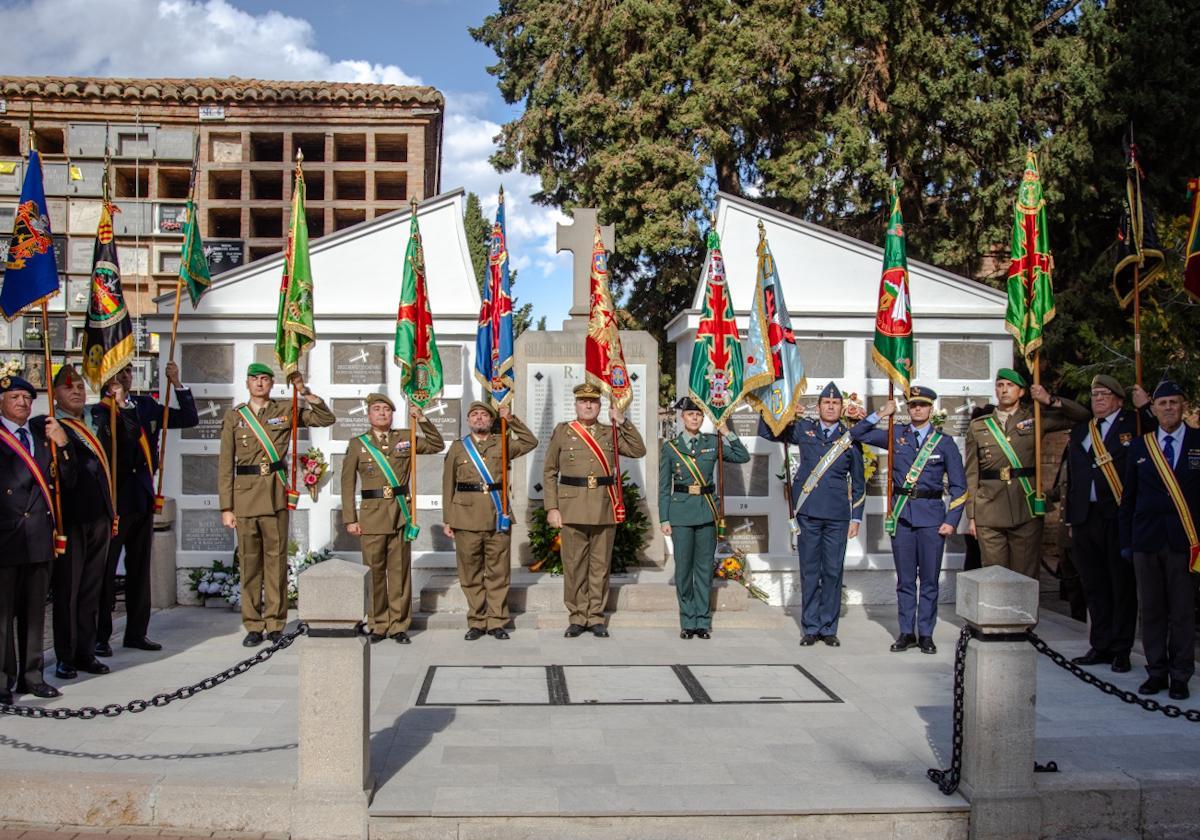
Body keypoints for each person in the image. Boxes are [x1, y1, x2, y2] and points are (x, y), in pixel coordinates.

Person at [219, 363, 335, 647]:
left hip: (274, 495)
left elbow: (325, 418)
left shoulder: (285, 409)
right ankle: (253, 624)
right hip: (244, 496)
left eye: (265, 379)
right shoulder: (235, 417)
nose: (259, 384)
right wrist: (226, 507)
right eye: (254, 379)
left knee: (276, 562)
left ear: (272, 383)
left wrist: (303, 391)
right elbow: (225, 463)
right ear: (247, 383)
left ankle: (275, 623)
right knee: (249, 564)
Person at [91, 361, 198, 656]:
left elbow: (188, 418)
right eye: (118, 372)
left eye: (127, 371)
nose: (125, 376)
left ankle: (137, 632)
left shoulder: (145, 406)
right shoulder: (97, 413)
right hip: (114, 502)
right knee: (107, 571)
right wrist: (117, 404)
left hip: (142, 498)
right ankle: (100, 635)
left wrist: (177, 383)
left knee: (140, 570)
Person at [852, 386, 967, 654]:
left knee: (929, 580)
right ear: (907, 408)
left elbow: (960, 487)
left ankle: (925, 633)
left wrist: (952, 519)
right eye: (913, 405)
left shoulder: (944, 443)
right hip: (902, 517)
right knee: (905, 580)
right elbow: (857, 433)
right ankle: (906, 632)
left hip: (932, 519)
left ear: (931, 409)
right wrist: (881, 412)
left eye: (922, 405)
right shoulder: (896, 435)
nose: (917, 409)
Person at [758, 382, 865, 647]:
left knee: (832, 571)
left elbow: (860, 483)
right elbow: (768, 432)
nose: (830, 406)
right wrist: (778, 410)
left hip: (837, 516)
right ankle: (810, 626)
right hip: (807, 513)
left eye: (835, 403)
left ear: (841, 408)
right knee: (809, 570)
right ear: (818, 408)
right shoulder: (803, 429)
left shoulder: (850, 438)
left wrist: (856, 517)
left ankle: (828, 627)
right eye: (826, 403)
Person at [1063, 375, 1153, 673]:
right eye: (1094, 395)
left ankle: (1121, 648)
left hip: (1117, 516)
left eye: (1104, 394)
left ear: (1118, 399)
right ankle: (1100, 644)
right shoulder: (1081, 430)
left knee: (1121, 585)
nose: (1098, 399)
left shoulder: (1134, 424)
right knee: (1094, 585)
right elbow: (1074, 477)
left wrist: (1148, 407)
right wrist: (1070, 517)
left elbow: (1159, 433)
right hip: (1085, 517)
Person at [543, 382, 647, 638]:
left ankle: (596, 616)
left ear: (600, 406)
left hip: (603, 505)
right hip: (571, 507)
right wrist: (552, 508)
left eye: (593, 401)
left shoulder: (609, 431)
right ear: (576, 404)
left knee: (600, 566)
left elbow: (638, 450)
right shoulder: (563, 432)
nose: (588, 405)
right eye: (583, 401)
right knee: (574, 565)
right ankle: (577, 616)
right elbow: (549, 472)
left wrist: (622, 421)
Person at [964, 368, 1088, 578]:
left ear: (1022, 392)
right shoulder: (978, 426)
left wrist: (1050, 399)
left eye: (1010, 386)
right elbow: (972, 473)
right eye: (1000, 385)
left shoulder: (1036, 417)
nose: (1004, 390)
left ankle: (1024, 613)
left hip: (1026, 506)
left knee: (1025, 577)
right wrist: (972, 515)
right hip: (989, 510)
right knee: (994, 577)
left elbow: (1083, 417)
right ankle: (998, 613)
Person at [1119, 380, 1200, 701]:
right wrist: (1127, 541)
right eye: (1162, 403)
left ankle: (1180, 674)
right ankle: (1156, 671)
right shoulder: (1140, 447)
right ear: (1153, 408)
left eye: (1174, 402)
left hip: (1185, 541)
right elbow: (1129, 499)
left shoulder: (1197, 442)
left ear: (1183, 406)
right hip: (1146, 540)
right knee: (1151, 610)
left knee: (1182, 611)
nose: (1168, 408)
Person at [342, 393, 443, 644]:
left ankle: (399, 625)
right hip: (372, 516)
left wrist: (421, 419)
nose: (382, 413)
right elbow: (347, 483)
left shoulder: (404, 438)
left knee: (399, 573)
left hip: (400, 515)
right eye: (377, 409)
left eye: (386, 410)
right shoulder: (358, 444)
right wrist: (350, 519)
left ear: (392, 414)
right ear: (369, 414)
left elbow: (436, 444)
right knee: (375, 572)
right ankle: (378, 623)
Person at [0, 375, 74, 703]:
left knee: (34, 614)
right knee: (2, 616)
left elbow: (67, 483)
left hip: (39, 537)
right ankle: (2, 680)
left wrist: (64, 445)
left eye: (27, 398)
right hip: (5, 537)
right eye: (15, 396)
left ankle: (32, 676)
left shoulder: (41, 436)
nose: (22, 403)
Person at [442, 401, 538, 640]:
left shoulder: (503, 442)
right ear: (468, 420)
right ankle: (476, 620)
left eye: (484, 415)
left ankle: (496, 621)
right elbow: (447, 485)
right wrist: (448, 519)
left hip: (497, 515)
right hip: (465, 517)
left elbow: (530, 442)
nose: (479, 418)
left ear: (491, 420)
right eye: (474, 415)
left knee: (498, 572)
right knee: (470, 573)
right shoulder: (457, 448)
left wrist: (511, 418)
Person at [658, 397, 749, 639]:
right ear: (682, 418)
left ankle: (702, 621)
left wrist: (726, 431)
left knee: (703, 569)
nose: (695, 418)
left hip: (707, 512)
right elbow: (664, 487)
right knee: (684, 570)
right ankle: (688, 621)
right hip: (681, 513)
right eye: (690, 414)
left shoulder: (712, 442)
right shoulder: (671, 447)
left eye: (698, 415)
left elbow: (742, 456)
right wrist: (664, 519)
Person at [51, 364, 113, 680]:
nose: (76, 390)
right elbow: (66, 476)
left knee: (91, 589)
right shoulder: (47, 425)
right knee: (68, 591)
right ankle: (65, 655)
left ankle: (86, 652)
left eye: (79, 386)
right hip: (71, 519)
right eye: (68, 387)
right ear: (54, 394)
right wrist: (62, 444)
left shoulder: (95, 421)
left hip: (100, 516)